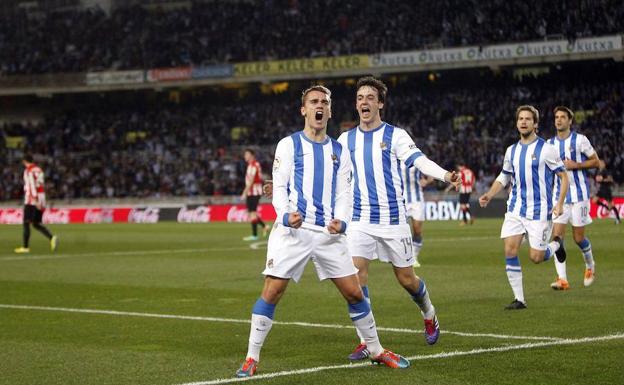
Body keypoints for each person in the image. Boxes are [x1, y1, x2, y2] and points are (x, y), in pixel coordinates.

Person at [235, 85, 409, 378]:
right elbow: (278, 187)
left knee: (355, 293)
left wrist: (342, 221)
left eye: (324, 103)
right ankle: (252, 358)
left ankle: (377, 351)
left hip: (328, 234)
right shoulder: (288, 145)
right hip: (293, 232)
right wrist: (285, 215)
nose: (319, 106)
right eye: (314, 102)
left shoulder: (339, 150)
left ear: (329, 110)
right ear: (304, 110)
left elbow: (344, 193)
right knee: (273, 290)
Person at [338, 76, 460, 361]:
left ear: (380, 103)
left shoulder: (396, 136)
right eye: (360, 98)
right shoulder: (346, 140)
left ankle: (429, 312)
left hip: (393, 220)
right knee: (355, 280)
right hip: (359, 220)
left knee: (407, 279)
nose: (364, 102)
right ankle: (367, 341)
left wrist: (444, 175)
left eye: (370, 97)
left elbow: (419, 161)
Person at [479, 105, 569, 310]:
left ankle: (556, 244)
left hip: (538, 211)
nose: (524, 122)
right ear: (517, 122)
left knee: (536, 257)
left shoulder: (546, 149)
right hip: (516, 209)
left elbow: (564, 177)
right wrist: (490, 195)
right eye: (520, 118)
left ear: (535, 124)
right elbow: (504, 176)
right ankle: (520, 299)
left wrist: (560, 203)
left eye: (528, 119)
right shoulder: (511, 150)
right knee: (510, 250)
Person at [547, 106, 601, 290]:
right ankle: (562, 279)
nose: (559, 120)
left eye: (563, 117)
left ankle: (590, 266)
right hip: (559, 197)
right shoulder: (549, 144)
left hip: (580, 196)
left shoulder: (580, 140)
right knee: (557, 237)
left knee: (578, 238)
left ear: (570, 121)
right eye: (556, 117)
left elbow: (596, 161)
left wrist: (576, 165)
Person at [14, 153, 58, 253]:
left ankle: (25, 247)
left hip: (32, 200)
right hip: (42, 197)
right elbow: (40, 185)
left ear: (24, 161)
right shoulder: (39, 170)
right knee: (36, 223)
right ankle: (51, 238)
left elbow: (32, 186)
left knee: (26, 222)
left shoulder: (28, 171)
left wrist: (34, 200)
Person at [402, 164, 434, 267]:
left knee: (417, 230)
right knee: (400, 230)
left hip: (417, 200)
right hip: (401, 199)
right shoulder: (394, 155)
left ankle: (414, 257)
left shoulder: (417, 157)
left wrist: (427, 181)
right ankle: (400, 256)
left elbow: (431, 173)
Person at [241, 148, 269, 241]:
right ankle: (264, 226)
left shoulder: (254, 165)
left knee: (252, 213)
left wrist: (244, 192)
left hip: (254, 191)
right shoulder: (250, 165)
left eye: (247, 154)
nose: (245, 156)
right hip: (252, 191)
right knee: (252, 213)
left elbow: (252, 180)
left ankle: (255, 235)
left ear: (251, 155)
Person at [592, 160, 621, 225]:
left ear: (604, 164)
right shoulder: (599, 171)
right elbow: (597, 179)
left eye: (601, 163)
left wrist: (603, 180)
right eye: (599, 163)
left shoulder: (605, 171)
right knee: (594, 200)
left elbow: (610, 179)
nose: (600, 164)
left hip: (606, 189)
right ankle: (606, 207)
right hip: (601, 189)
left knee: (611, 205)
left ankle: (618, 219)